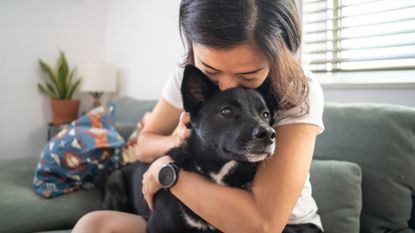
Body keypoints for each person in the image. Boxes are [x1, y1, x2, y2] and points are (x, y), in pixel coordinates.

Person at [72, 0, 325, 232]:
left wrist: (167, 172)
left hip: (281, 226)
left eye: (248, 77)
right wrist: (178, 140)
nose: (225, 88)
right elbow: (145, 143)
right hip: (196, 210)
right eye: (212, 71)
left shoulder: (297, 89)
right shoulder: (190, 74)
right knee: (92, 225)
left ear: (278, 54)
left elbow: (262, 225)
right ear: (192, 44)